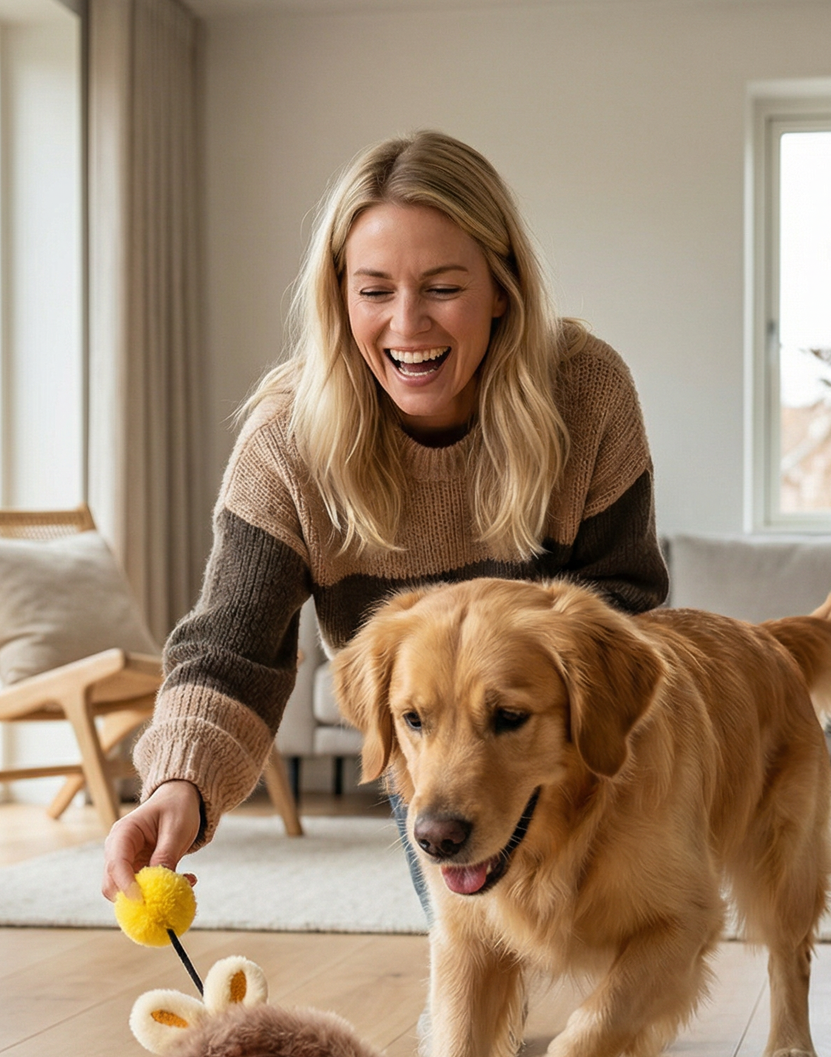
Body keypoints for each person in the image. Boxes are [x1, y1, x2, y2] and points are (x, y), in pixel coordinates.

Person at [101, 130, 668, 903]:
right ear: (339, 296)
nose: (407, 324)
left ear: (500, 289)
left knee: (614, 950)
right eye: (373, 290)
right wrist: (177, 783)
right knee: (480, 961)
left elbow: (626, 609)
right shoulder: (284, 443)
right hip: (426, 760)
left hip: (568, 757)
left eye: (442, 287)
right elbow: (232, 645)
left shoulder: (586, 391)